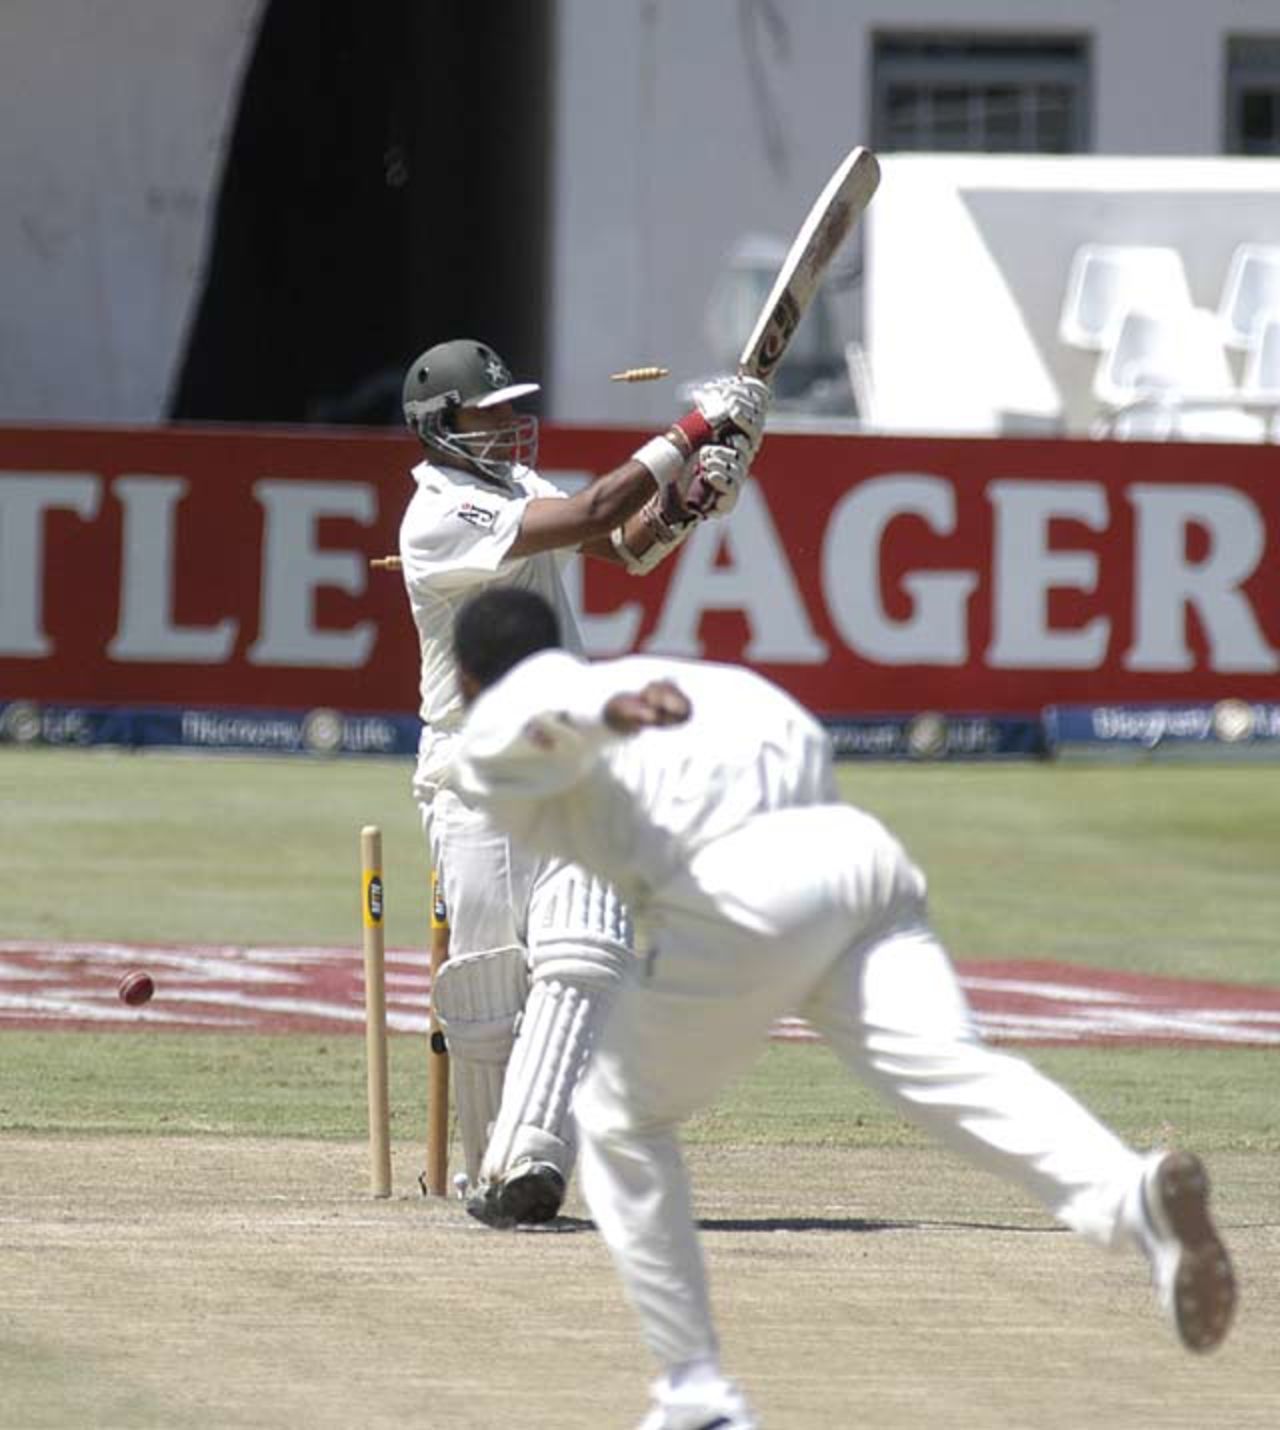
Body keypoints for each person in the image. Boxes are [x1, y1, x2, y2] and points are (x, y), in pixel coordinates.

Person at [446, 585, 1238, 1430]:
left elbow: (537, 703)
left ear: (463, 678)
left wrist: (613, 710)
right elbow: (710, 721)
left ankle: (696, 1392)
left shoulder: (501, 721)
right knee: (956, 1072)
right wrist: (617, 703)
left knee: (613, 1120)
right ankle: (1133, 1198)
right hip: (860, 857)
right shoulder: (695, 677)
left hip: (740, 885)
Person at [395, 337, 770, 1228]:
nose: (507, 427)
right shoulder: (436, 516)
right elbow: (597, 504)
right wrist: (694, 424)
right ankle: (494, 1167)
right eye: (485, 415)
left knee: (581, 954)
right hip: (475, 770)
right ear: (440, 428)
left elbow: (623, 542)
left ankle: (530, 1159)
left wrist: (690, 504)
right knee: (489, 985)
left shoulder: (515, 491)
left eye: (506, 409)